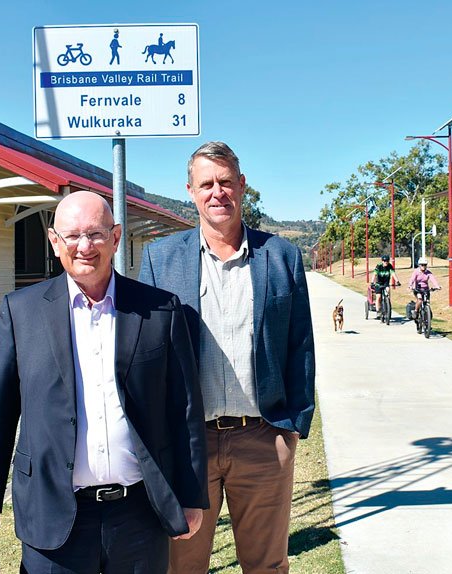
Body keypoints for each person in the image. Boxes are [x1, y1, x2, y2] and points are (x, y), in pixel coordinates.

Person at [0, 191, 207, 573]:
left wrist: (192, 495)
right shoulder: (20, 312)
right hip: (53, 515)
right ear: (53, 241)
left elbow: (186, 410)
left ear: (115, 237)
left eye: (94, 234)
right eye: (72, 235)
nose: (84, 246)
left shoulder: (161, 310)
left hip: (139, 516)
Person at [139, 141, 315, 574]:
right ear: (190, 191)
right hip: (188, 445)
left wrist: (291, 429)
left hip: (263, 440)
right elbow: (146, 356)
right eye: (206, 184)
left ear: (242, 185)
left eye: (225, 182)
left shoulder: (281, 256)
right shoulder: (160, 259)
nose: (217, 192)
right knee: (182, 566)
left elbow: (301, 346)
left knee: (266, 566)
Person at [409, 257, 441, 333]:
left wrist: (437, 286)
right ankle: (416, 311)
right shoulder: (416, 272)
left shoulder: (428, 272)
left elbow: (433, 279)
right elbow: (412, 279)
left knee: (427, 304)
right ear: (419, 265)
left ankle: (428, 321)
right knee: (420, 300)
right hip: (418, 289)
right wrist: (410, 285)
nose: (423, 266)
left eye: (425, 265)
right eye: (422, 265)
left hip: (426, 289)